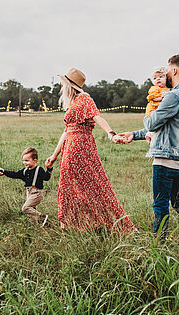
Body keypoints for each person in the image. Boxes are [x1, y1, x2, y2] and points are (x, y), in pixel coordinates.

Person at [117, 55, 179, 245]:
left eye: (167, 70)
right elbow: (164, 127)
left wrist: (148, 110)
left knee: (160, 205)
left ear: (174, 71)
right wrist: (135, 135)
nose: (164, 73)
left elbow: (152, 122)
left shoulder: (173, 96)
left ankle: (159, 245)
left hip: (165, 161)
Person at [45, 67, 136, 232]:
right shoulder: (73, 103)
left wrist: (111, 134)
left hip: (80, 147)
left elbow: (97, 117)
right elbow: (66, 131)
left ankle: (98, 222)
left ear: (70, 86)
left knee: (92, 184)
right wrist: (54, 155)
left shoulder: (84, 98)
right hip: (70, 147)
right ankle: (74, 224)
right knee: (70, 186)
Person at [0, 147, 52, 226]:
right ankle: (36, 226)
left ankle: (42, 217)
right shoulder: (25, 171)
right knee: (31, 211)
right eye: (23, 160)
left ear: (35, 160)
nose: (24, 162)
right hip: (29, 192)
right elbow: (15, 174)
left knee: (25, 208)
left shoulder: (39, 170)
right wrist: (4, 172)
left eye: (27, 160)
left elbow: (46, 178)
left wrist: (49, 169)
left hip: (36, 193)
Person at [145, 67, 169, 144]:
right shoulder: (154, 88)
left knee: (159, 123)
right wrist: (161, 98)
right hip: (153, 107)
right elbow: (152, 98)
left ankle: (151, 134)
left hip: (159, 107)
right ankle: (150, 133)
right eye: (155, 78)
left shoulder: (166, 89)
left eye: (161, 77)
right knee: (154, 119)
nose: (158, 79)